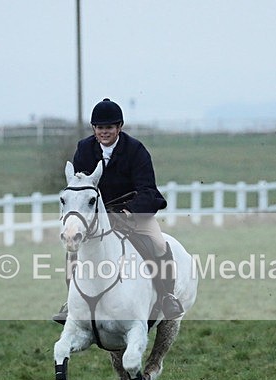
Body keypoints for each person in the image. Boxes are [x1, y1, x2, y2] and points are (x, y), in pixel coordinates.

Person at [53, 98, 185, 323]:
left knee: (159, 243)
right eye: (100, 127)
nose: (104, 132)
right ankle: (71, 302)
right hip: (96, 216)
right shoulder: (84, 149)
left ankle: (166, 296)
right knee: (72, 248)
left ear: (119, 127)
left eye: (109, 127)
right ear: (94, 128)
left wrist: (128, 211)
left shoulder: (135, 150)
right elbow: (79, 188)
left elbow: (147, 189)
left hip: (131, 212)